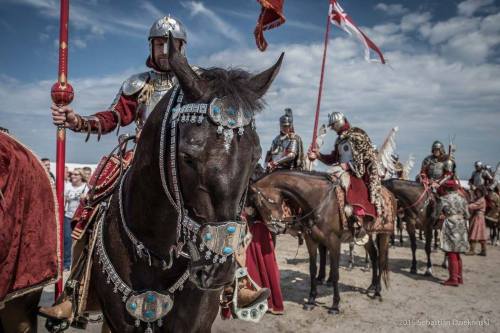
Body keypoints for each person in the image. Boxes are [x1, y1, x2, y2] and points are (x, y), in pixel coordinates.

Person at [40, 15, 264, 322]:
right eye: (160, 43)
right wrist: (78, 121)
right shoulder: (139, 83)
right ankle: (76, 289)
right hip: (141, 158)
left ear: (183, 47)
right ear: (151, 45)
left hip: (184, 158)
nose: (166, 49)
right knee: (90, 204)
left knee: (225, 207)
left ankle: (238, 280)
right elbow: (114, 118)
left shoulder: (198, 82)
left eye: (173, 44)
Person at [308, 111, 382, 242]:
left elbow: (364, 156)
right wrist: (318, 155)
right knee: (327, 180)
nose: (333, 128)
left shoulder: (357, 134)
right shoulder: (340, 140)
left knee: (349, 185)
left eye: (333, 125)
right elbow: (333, 158)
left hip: (358, 172)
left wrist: (348, 166)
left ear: (339, 122)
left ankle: (357, 219)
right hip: (342, 169)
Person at [434, 179, 469, 286]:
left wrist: (441, 216)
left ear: (446, 188)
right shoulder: (463, 199)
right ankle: (459, 277)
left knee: (451, 252)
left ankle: (453, 279)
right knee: (457, 252)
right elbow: (468, 215)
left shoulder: (443, 199)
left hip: (451, 224)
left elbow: (436, 214)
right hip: (461, 225)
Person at [63, 169, 88, 270]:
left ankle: (80, 262)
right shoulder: (67, 186)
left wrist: (85, 198)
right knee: (67, 240)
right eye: (72, 174)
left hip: (80, 217)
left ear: (81, 176)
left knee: (80, 240)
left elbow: (90, 200)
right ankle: (67, 263)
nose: (73, 176)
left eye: (76, 174)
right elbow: (63, 199)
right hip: (68, 216)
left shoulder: (86, 187)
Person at [466, 186, 488, 256]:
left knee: (474, 233)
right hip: (477, 217)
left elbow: (474, 205)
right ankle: (483, 251)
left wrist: (466, 205)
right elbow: (473, 202)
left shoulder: (481, 200)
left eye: (479, 192)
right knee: (480, 234)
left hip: (478, 218)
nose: (477, 193)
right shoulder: (478, 199)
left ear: (482, 192)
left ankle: (472, 250)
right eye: (477, 191)